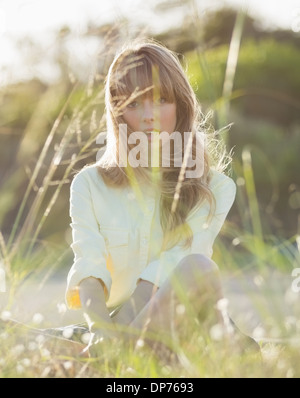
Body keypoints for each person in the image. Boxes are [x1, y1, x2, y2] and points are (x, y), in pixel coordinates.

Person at [65, 39, 258, 359]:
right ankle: (112, 360)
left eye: (161, 100)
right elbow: (89, 264)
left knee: (197, 267)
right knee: (12, 334)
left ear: (181, 105)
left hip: (185, 320)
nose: (149, 116)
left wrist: (119, 343)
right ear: (118, 113)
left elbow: (173, 266)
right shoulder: (88, 184)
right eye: (134, 103)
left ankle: (115, 362)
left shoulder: (214, 188)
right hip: (111, 327)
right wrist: (101, 333)